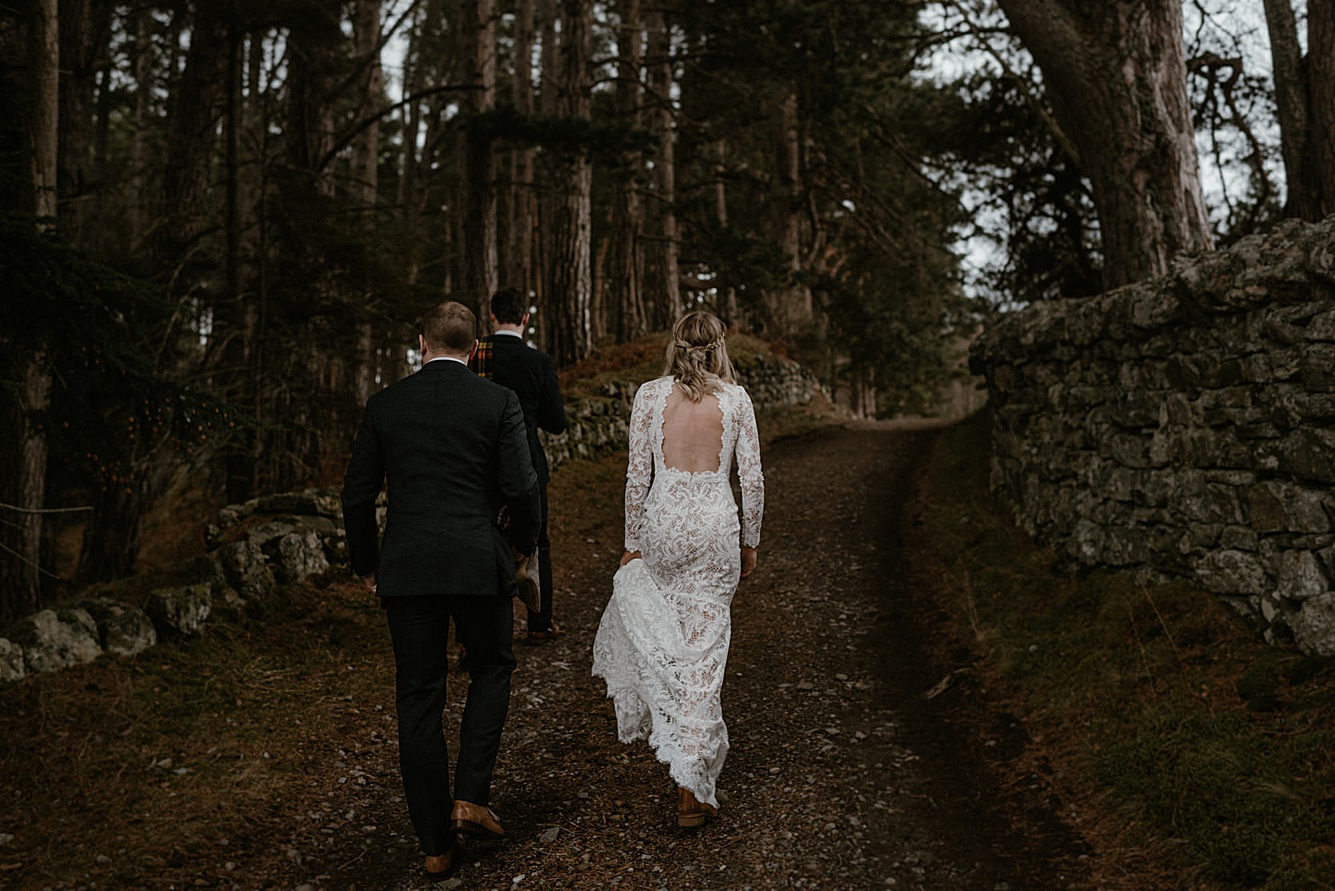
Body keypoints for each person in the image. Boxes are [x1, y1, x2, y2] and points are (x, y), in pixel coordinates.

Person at [341, 301, 540, 881]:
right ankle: (470, 795)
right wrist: (520, 548)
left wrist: (367, 565)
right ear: (475, 348)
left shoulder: (385, 404)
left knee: (419, 695)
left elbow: (356, 496)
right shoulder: (496, 400)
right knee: (493, 666)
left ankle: (434, 844)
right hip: (479, 563)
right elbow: (522, 488)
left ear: (421, 344)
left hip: (407, 570)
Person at [591, 310, 764, 828]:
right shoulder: (735, 400)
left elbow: (635, 478)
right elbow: (751, 481)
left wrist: (631, 543)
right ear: (719, 347)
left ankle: (682, 751)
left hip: (663, 528)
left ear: (675, 346)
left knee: (670, 641)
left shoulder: (648, 395)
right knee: (706, 649)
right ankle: (692, 782)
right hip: (714, 532)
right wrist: (749, 543)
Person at [469, 287, 568, 645]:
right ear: (525, 318)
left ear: (491, 316)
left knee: (480, 540)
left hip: (480, 465)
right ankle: (540, 623)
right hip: (526, 463)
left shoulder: (476, 354)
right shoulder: (538, 361)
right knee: (537, 541)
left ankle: (478, 633)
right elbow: (556, 421)